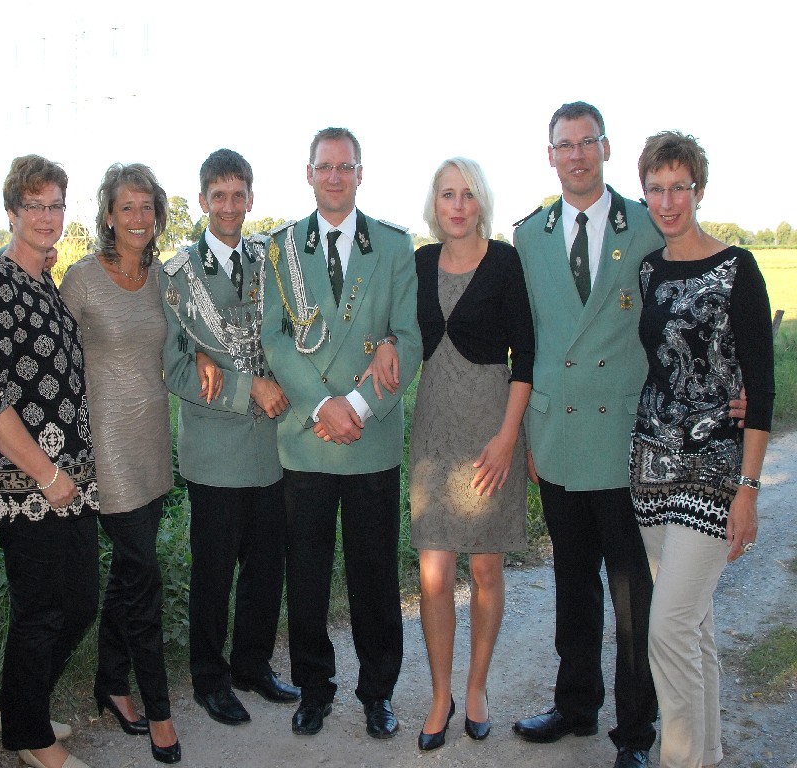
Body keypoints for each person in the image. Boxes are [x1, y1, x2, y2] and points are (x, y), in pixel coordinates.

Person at [509, 101, 664, 768]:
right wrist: (525, 432)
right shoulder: (530, 236)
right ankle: (576, 706)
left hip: (624, 435)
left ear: (605, 148)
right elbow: (526, 341)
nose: (576, 155)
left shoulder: (649, 226)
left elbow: (679, 321)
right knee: (573, 581)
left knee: (632, 594)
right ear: (550, 156)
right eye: (564, 145)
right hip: (559, 435)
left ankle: (636, 731)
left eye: (586, 142)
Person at [260, 127, 422, 739]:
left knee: (374, 577)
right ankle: (314, 689)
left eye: (345, 166)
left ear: (360, 173)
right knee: (306, 576)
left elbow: (408, 337)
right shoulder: (280, 250)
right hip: (306, 441)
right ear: (309, 174)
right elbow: (274, 337)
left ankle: (378, 692)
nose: (334, 176)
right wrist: (321, 405)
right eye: (324, 166)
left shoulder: (394, 246)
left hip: (368, 438)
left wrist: (354, 405)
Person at [630, 131, 773, 768]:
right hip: (651, 467)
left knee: (667, 628)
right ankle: (707, 755)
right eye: (656, 189)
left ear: (699, 190)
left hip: (714, 470)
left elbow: (761, 389)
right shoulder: (649, 270)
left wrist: (749, 489)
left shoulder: (737, 268)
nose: (667, 202)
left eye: (678, 188)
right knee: (694, 626)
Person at [160, 148, 299, 728]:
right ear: (201, 201)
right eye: (218, 195)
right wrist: (248, 389)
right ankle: (210, 679)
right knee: (214, 573)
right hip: (216, 451)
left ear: (250, 198)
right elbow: (174, 366)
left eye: (238, 195)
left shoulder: (274, 263)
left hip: (273, 447)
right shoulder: (175, 276)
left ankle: (252, 665)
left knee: (266, 567)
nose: (229, 206)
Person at [0, 155, 99, 768]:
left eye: (55, 206)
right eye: (34, 205)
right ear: (11, 211)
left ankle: (15, 705)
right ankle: (32, 738)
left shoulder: (45, 281)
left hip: (67, 477)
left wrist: (65, 476)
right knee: (43, 609)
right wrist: (46, 475)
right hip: (23, 480)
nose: (47, 217)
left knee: (79, 603)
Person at [61, 163, 187, 765]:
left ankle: (111, 682)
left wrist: (205, 361)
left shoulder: (163, 279)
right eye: (126, 207)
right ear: (108, 216)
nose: (138, 218)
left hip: (152, 442)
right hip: (105, 448)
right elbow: (54, 364)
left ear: (157, 215)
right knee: (144, 575)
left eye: (146, 207)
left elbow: (184, 342)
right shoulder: (82, 279)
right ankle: (160, 711)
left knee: (130, 574)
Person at [408, 157, 534, 751]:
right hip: (434, 431)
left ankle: (477, 687)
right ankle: (441, 696)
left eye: (467, 194)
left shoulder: (504, 262)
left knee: (485, 569)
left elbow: (526, 356)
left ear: (481, 202)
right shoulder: (419, 264)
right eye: (447, 194)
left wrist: (508, 438)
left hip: (490, 432)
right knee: (434, 576)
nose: (457, 206)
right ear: (434, 204)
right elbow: (397, 334)